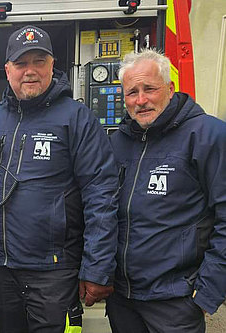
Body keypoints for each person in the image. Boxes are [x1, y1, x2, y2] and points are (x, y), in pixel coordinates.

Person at [0, 25, 119, 333]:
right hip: (1, 268)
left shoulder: (77, 118)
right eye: (21, 64)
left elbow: (101, 194)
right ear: (7, 70)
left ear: (52, 66)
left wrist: (97, 266)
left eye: (39, 61)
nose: (30, 71)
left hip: (54, 270)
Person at [106, 49, 226, 333]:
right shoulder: (118, 142)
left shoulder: (208, 136)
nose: (141, 100)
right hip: (122, 297)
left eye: (150, 89)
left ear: (170, 88)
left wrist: (206, 292)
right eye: (131, 92)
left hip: (175, 300)